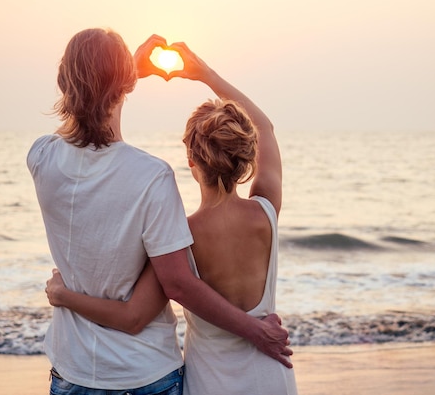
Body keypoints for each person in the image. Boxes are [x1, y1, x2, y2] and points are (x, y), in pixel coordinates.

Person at [28, 28, 291, 395]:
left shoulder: (41, 157)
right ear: (246, 154)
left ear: (191, 159)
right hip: (263, 375)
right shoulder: (264, 213)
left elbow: (164, 295)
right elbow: (265, 127)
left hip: (193, 379)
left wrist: (122, 75)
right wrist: (204, 74)